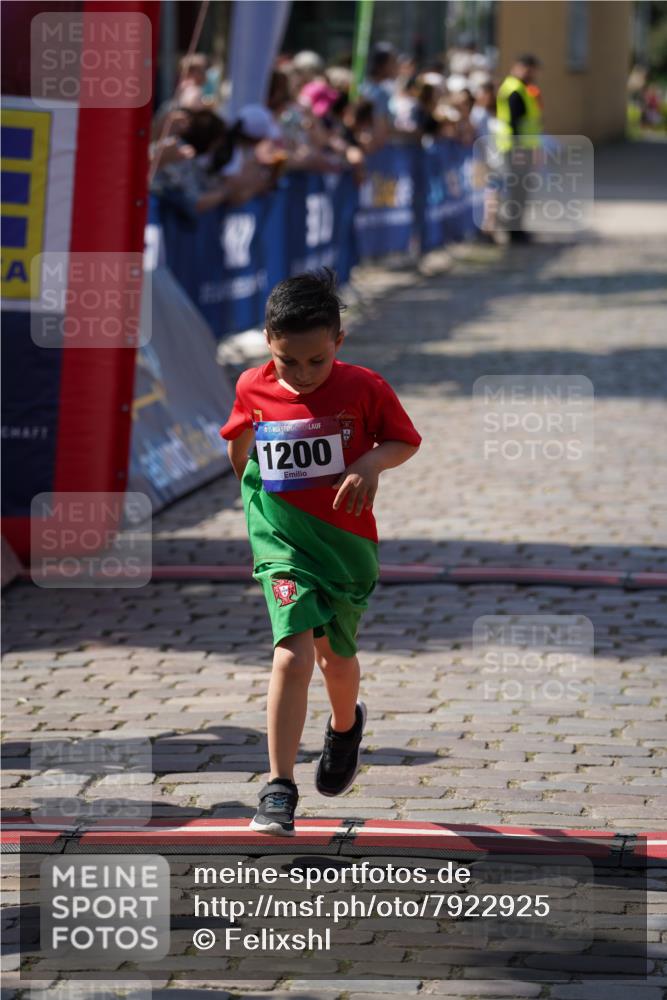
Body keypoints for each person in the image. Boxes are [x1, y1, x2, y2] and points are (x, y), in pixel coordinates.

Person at [219, 270, 421, 835]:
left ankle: (345, 726)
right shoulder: (252, 386)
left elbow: (404, 440)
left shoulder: (365, 387)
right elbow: (239, 443)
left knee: (337, 658)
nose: (303, 373)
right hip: (282, 542)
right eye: (288, 361)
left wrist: (369, 463)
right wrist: (259, 508)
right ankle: (278, 787)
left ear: (339, 341)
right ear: (267, 341)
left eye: (316, 360)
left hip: (345, 546)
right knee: (292, 653)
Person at [495, 54, 543, 243]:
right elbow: (514, 123)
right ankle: (514, 232)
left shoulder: (523, 89)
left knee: (520, 191)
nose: (532, 74)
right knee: (517, 191)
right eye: (529, 70)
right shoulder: (514, 90)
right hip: (516, 149)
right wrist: (519, 151)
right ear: (519, 68)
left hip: (522, 147)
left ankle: (517, 229)